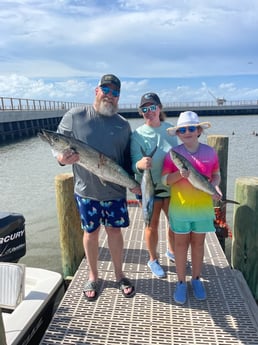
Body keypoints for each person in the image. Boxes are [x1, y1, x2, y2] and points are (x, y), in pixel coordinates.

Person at [55, 74, 141, 301]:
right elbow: (57, 147)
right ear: (96, 90)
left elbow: (126, 160)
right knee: (90, 233)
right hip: (86, 190)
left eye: (115, 93)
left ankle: (120, 274)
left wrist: (135, 185)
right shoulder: (75, 116)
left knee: (114, 231)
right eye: (106, 90)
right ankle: (93, 275)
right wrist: (63, 159)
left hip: (114, 190)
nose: (110, 96)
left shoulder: (123, 125)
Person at [161, 111, 222, 304]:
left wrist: (216, 187)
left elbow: (216, 174)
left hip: (203, 209)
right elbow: (165, 181)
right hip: (180, 209)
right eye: (183, 130)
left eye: (191, 128)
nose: (187, 132)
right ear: (178, 133)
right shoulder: (173, 154)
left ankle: (196, 279)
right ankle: (180, 281)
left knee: (198, 244)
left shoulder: (210, 152)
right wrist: (180, 174)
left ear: (199, 131)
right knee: (180, 246)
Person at [130, 92, 178, 279]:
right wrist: (139, 165)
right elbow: (134, 162)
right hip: (149, 187)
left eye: (152, 107)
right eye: (144, 109)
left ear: (159, 108)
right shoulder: (136, 135)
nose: (148, 112)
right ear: (141, 112)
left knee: (174, 222)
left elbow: (182, 154)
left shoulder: (172, 130)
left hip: (172, 185)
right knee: (152, 224)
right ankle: (152, 259)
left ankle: (172, 251)